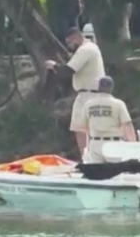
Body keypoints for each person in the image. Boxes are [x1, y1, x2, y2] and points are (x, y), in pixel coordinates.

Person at [45, 26, 106, 159]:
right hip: (85, 94)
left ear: (77, 37)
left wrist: (53, 65)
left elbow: (68, 71)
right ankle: (86, 157)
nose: (69, 46)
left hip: (91, 94)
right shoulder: (86, 49)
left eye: (70, 42)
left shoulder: (86, 49)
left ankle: (94, 157)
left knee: (90, 128)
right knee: (80, 128)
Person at [81, 76, 137, 163]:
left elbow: (84, 127)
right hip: (113, 145)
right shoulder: (118, 104)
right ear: (111, 88)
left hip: (95, 144)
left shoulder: (88, 104)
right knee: (117, 170)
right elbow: (127, 125)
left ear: (99, 88)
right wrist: (133, 145)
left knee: (95, 170)